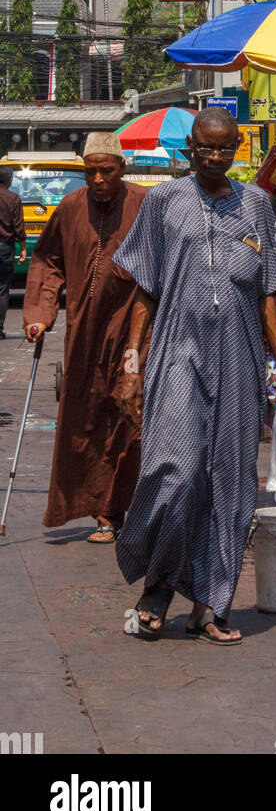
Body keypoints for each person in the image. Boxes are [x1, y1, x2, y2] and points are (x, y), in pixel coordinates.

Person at [114, 106, 276, 645]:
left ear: (237, 149)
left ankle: (210, 605)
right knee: (176, 470)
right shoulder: (163, 202)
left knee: (231, 482)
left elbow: (269, 293)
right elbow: (144, 288)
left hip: (239, 357)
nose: (215, 157)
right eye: (205, 148)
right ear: (189, 150)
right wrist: (132, 360)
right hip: (177, 350)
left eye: (225, 148)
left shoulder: (258, 206)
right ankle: (157, 586)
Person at [22, 133, 149, 542]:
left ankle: (118, 510)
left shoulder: (145, 204)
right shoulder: (72, 206)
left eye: (105, 171)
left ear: (121, 169)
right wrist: (40, 315)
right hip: (83, 331)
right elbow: (47, 260)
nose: (97, 179)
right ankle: (98, 508)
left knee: (131, 415)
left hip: (134, 329)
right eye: (90, 171)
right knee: (86, 415)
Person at [0, 166, 27, 339]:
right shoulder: (13, 198)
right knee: (2, 289)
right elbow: (18, 227)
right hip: (4, 248)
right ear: (9, 180)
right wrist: (23, 247)